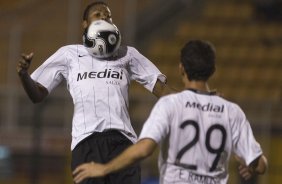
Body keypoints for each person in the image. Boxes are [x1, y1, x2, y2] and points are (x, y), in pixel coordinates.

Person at [16, 1, 174, 184]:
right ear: (85, 24)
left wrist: (194, 96)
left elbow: (162, 89)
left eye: (108, 16)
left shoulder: (127, 54)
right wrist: (24, 75)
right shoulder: (69, 54)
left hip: (123, 142)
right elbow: (37, 95)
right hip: (86, 143)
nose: (105, 18)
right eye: (98, 15)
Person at [72, 40, 268, 184]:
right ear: (213, 69)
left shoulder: (170, 105)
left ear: (181, 68)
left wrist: (104, 168)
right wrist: (248, 163)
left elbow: (144, 149)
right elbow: (260, 165)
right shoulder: (231, 111)